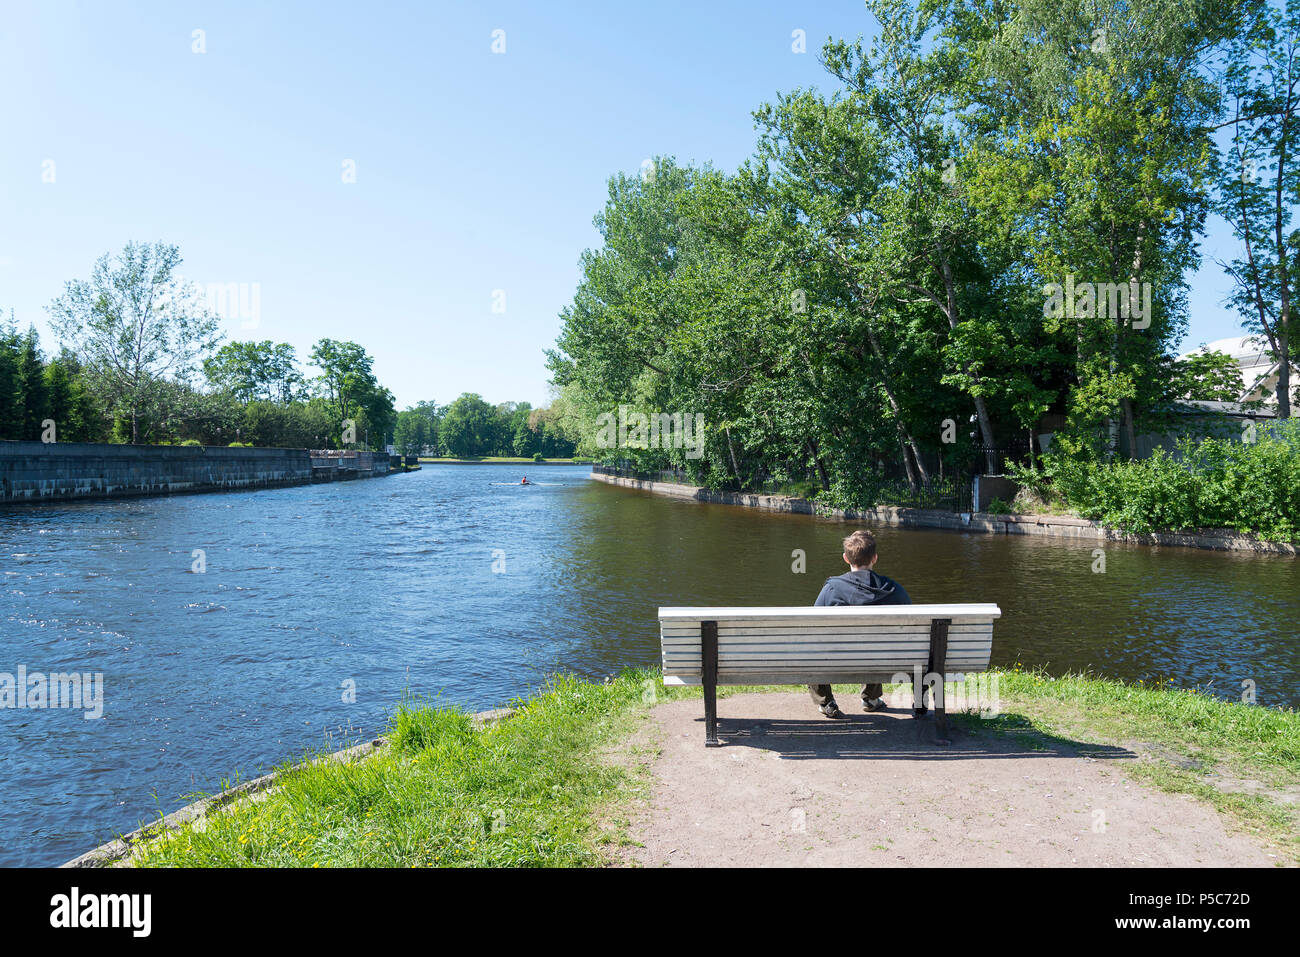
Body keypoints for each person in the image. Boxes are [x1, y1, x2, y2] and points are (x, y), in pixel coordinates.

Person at [809, 529, 911, 719]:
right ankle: (870, 699)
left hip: (837, 660)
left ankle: (826, 702)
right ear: (875, 558)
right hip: (884, 660)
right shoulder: (893, 590)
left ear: (846, 559)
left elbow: (812, 626)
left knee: (812, 647)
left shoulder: (832, 588)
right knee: (877, 644)